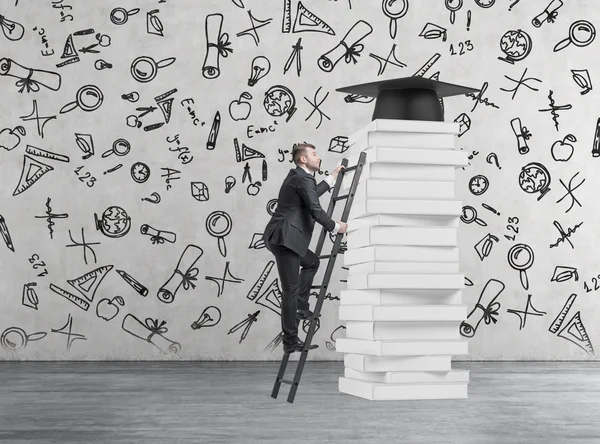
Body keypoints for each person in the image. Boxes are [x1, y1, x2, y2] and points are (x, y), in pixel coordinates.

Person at [262, 142, 348, 354]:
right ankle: (290, 340)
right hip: (286, 239)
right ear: (303, 159)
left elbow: (312, 194)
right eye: (314, 154)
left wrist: (332, 177)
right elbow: (315, 208)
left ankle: (301, 305)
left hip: (285, 238)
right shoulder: (302, 178)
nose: (319, 157)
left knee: (311, 262)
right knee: (289, 290)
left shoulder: (300, 178)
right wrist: (335, 227)